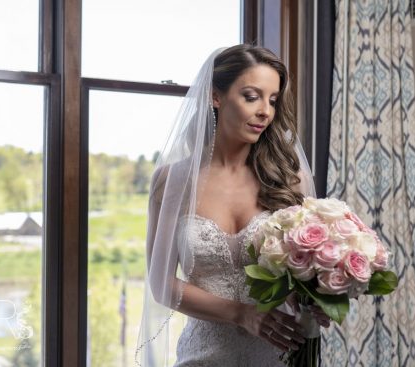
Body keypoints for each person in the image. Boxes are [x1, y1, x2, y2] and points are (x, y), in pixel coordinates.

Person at [135, 44, 330, 367]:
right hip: (205, 355)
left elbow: (306, 271)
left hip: (280, 351)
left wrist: (317, 298)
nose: (265, 111)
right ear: (216, 96)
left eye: (272, 100)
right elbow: (161, 284)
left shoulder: (290, 179)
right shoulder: (172, 181)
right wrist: (241, 314)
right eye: (251, 96)